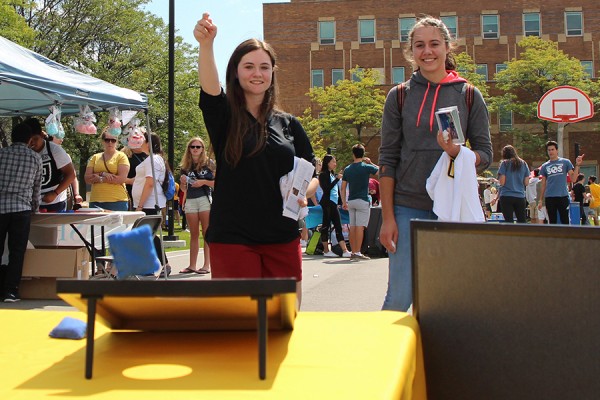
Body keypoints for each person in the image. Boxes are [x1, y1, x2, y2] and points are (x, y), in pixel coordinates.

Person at [194, 12, 316, 299]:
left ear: (273, 72)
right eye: (248, 66)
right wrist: (206, 45)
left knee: (285, 323)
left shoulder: (289, 124)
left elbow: (310, 173)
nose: (257, 73)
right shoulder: (223, 116)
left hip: (283, 236)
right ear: (236, 71)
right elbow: (210, 89)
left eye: (264, 66)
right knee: (239, 329)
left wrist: (304, 193)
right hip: (233, 238)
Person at [378, 16, 492, 311]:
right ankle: (388, 357)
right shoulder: (399, 96)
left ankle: (437, 358)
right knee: (400, 296)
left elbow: (485, 154)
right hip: (407, 206)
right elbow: (388, 159)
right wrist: (388, 218)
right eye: (419, 45)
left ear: (447, 47)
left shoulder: (468, 94)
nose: (427, 51)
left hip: (452, 208)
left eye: (434, 44)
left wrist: (458, 153)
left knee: (444, 301)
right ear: (411, 52)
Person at [0, 123, 43, 302]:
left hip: (0, 207)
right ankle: (11, 290)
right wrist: (35, 207)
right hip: (22, 209)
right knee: (17, 251)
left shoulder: (1, 154)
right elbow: (36, 187)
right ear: (29, 139)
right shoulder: (35, 158)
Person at [131, 131, 171, 275]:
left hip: (148, 204)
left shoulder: (152, 160)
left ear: (149, 143)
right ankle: (155, 265)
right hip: (150, 202)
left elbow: (149, 183)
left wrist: (140, 206)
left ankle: (159, 265)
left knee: (148, 235)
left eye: (142, 139)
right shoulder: (154, 159)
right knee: (148, 235)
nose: (139, 142)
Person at [24, 118, 76, 212]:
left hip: (56, 201)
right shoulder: (26, 151)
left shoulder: (55, 150)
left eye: (35, 139)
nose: (32, 143)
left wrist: (55, 193)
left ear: (41, 135)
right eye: (29, 140)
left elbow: (71, 174)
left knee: (52, 227)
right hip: (32, 203)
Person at [179, 137, 214, 274]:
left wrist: (203, 182)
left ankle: (206, 265)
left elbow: (218, 182)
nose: (195, 149)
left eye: (198, 147)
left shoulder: (209, 164)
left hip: (205, 198)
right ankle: (192, 265)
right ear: (189, 149)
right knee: (194, 234)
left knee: (207, 233)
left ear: (203, 149)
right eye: (192, 147)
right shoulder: (185, 166)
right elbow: (183, 190)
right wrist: (182, 183)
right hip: (191, 200)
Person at [341, 144, 379, 260]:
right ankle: (357, 251)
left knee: (352, 226)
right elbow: (381, 171)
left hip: (351, 200)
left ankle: (353, 251)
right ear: (363, 154)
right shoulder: (366, 167)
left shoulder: (347, 169)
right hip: (363, 199)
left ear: (353, 154)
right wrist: (371, 162)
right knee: (360, 227)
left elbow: (343, 188)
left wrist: (344, 202)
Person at [538, 141, 583, 224]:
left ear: (557, 150)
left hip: (563, 196)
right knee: (552, 220)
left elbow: (573, 179)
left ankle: (566, 236)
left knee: (565, 219)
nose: (551, 152)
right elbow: (543, 184)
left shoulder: (565, 162)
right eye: (549, 150)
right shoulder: (545, 166)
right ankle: (554, 236)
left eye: (552, 149)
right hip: (550, 197)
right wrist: (540, 200)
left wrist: (577, 165)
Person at [84, 128, 130, 211]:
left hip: (117, 201)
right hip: (96, 201)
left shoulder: (121, 156)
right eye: (107, 140)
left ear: (117, 142)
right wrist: (103, 174)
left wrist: (100, 179)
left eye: (113, 140)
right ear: (102, 141)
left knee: (117, 224)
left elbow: (121, 179)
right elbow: (87, 178)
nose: (110, 143)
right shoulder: (95, 157)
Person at [318, 154, 351, 258]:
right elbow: (326, 189)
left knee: (337, 225)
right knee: (326, 225)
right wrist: (336, 179)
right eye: (333, 162)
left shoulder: (331, 174)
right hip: (327, 202)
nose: (335, 164)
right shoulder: (323, 174)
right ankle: (327, 250)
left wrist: (341, 203)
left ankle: (344, 250)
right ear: (327, 162)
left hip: (333, 202)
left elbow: (336, 191)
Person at [497, 145, 530, 223]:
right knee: (522, 220)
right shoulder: (523, 163)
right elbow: (526, 182)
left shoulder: (505, 163)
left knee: (509, 221)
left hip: (506, 195)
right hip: (520, 196)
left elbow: (502, 182)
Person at [122, 127, 149, 210]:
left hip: (149, 196)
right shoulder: (123, 155)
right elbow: (116, 176)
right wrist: (130, 181)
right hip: (131, 197)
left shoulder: (149, 155)